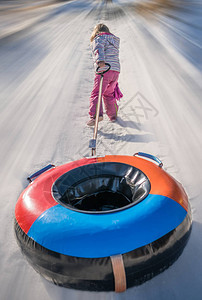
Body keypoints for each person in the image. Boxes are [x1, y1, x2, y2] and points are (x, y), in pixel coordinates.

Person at [87, 24, 122, 126]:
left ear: (96, 32)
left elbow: (98, 48)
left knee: (96, 93)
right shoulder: (114, 41)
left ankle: (96, 115)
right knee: (108, 94)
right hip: (115, 71)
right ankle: (113, 115)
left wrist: (100, 60)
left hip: (104, 69)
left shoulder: (99, 38)